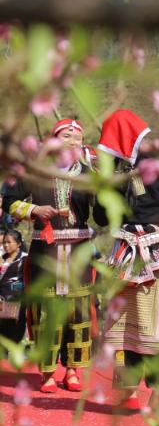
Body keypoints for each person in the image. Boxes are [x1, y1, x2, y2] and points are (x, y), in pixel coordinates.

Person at [93, 109, 159, 411]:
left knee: (154, 322)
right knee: (124, 322)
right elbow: (102, 216)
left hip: (155, 245)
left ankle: (157, 390)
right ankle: (129, 388)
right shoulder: (118, 168)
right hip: (128, 246)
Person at [3, 119, 98, 393]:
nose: (73, 141)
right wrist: (34, 210)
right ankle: (46, 372)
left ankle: (73, 370)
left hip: (78, 251)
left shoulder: (88, 173)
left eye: (77, 137)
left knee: (78, 310)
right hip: (46, 250)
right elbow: (9, 201)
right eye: (66, 135)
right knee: (45, 311)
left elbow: (101, 216)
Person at [0, 229, 28, 343]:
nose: (6, 245)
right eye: (4, 243)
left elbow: (26, 281)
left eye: (9, 242)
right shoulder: (2, 258)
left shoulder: (25, 259)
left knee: (13, 337)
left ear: (19, 244)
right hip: (1, 302)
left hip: (14, 303)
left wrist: (11, 291)